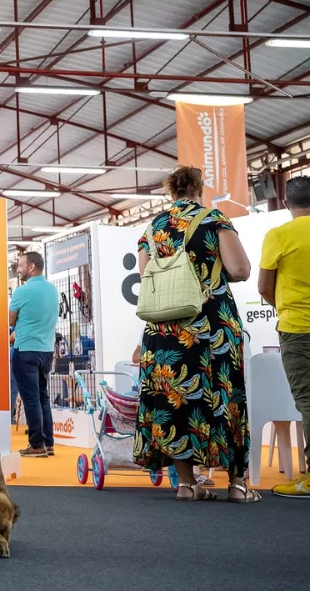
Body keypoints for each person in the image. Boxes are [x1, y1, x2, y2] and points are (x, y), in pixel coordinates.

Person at [134, 165, 257, 503]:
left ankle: (187, 484)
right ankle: (237, 485)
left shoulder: (151, 228)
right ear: (198, 189)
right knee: (224, 396)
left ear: (170, 192)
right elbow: (240, 269)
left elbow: (148, 277)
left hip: (166, 328)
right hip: (211, 324)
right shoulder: (214, 219)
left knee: (176, 400)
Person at [259, 175, 310, 498]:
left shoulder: (278, 235)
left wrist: (284, 307)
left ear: (286, 203)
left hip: (297, 329)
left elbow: (264, 286)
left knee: (308, 400)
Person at [8, 252, 60, 458]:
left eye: (20, 265)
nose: (18, 269)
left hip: (26, 349)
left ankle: (36, 444)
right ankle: (48, 442)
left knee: (30, 399)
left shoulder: (22, 291)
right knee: (42, 397)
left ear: (31, 267)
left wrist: (16, 326)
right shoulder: (52, 290)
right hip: (46, 350)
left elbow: (11, 320)